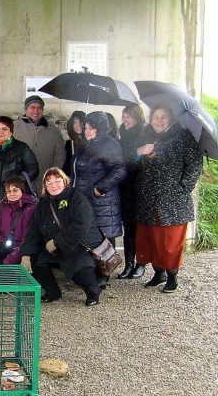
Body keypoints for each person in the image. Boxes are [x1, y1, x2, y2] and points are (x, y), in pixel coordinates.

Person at [134, 104, 202, 293]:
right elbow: (131, 163)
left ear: (170, 119)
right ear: (151, 119)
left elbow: (195, 164)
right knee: (152, 238)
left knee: (170, 241)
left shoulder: (182, 137)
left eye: (163, 117)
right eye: (156, 117)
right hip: (148, 199)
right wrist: (140, 153)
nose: (159, 120)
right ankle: (158, 274)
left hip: (173, 201)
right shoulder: (144, 137)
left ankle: (172, 276)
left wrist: (183, 187)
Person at [20, 167, 103, 306]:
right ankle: (53, 292)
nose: (53, 185)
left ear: (65, 181)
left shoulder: (77, 198)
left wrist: (57, 243)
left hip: (77, 246)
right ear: (45, 186)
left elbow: (80, 227)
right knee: (37, 261)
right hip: (53, 247)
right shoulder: (42, 205)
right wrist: (26, 254)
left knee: (82, 275)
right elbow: (33, 232)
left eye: (57, 181)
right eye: (49, 183)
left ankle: (93, 292)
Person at [72, 112, 127, 273]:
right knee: (89, 234)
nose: (87, 131)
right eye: (86, 127)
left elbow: (120, 169)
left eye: (92, 128)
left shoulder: (109, 144)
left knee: (104, 236)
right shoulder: (84, 145)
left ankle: (105, 272)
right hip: (84, 198)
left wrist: (100, 188)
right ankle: (92, 271)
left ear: (101, 128)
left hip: (102, 201)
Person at [0, 175, 37, 265]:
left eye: (15, 190)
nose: (12, 194)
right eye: (8, 191)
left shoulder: (30, 209)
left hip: (23, 253)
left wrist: (7, 261)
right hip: (6, 248)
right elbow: (0, 232)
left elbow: (28, 240)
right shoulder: (3, 207)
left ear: (23, 191)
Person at [117, 103, 146, 279]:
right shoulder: (122, 136)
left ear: (137, 117)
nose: (125, 119)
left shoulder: (144, 136)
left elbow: (137, 163)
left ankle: (140, 264)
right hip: (124, 188)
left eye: (129, 116)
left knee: (139, 229)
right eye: (124, 115)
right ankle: (129, 264)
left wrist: (135, 153)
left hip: (138, 189)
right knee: (128, 227)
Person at [12, 95, 66, 189]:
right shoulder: (14, 128)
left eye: (39, 108)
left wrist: (53, 175)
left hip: (44, 183)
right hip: (20, 183)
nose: (35, 111)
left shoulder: (53, 131)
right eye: (32, 108)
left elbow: (59, 155)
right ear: (26, 109)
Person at [63, 111, 86, 176]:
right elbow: (66, 165)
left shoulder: (90, 142)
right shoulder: (69, 143)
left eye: (80, 122)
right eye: (75, 122)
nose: (78, 125)